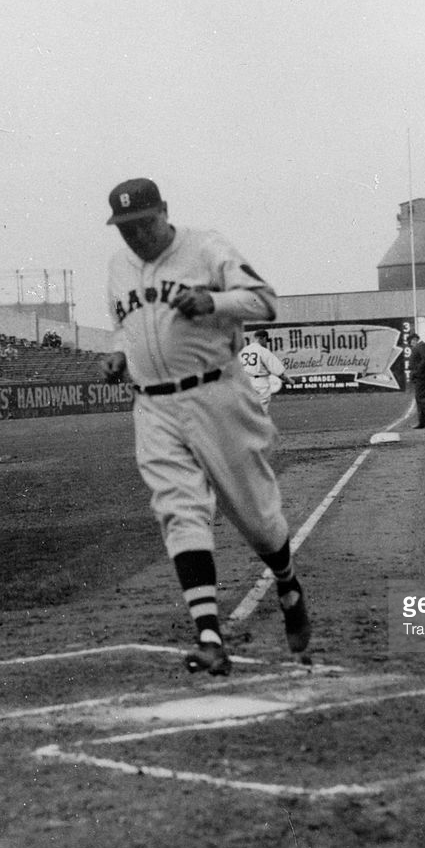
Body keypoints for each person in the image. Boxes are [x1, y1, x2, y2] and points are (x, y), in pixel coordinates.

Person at [100, 177, 311, 675]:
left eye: (143, 224)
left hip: (218, 393)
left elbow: (265, 301)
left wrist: (214, 302)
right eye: (125, 228)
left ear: (164, 212)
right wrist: (115, 354)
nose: (135, 236)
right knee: (178, 509)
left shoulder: (205, 247)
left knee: (256, 518)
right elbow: (122, 325)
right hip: (152, 407)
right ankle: (209, 635)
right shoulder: (116, 266)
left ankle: (286, 581)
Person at [239, 328, 294, 412]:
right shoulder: (263, 351)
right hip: (260, 383)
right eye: (266, 340)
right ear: (263, 338)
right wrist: (289, 380)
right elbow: (278, 371)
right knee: (261, 409)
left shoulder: (244, 350)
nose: (266, 343)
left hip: (245, 381)